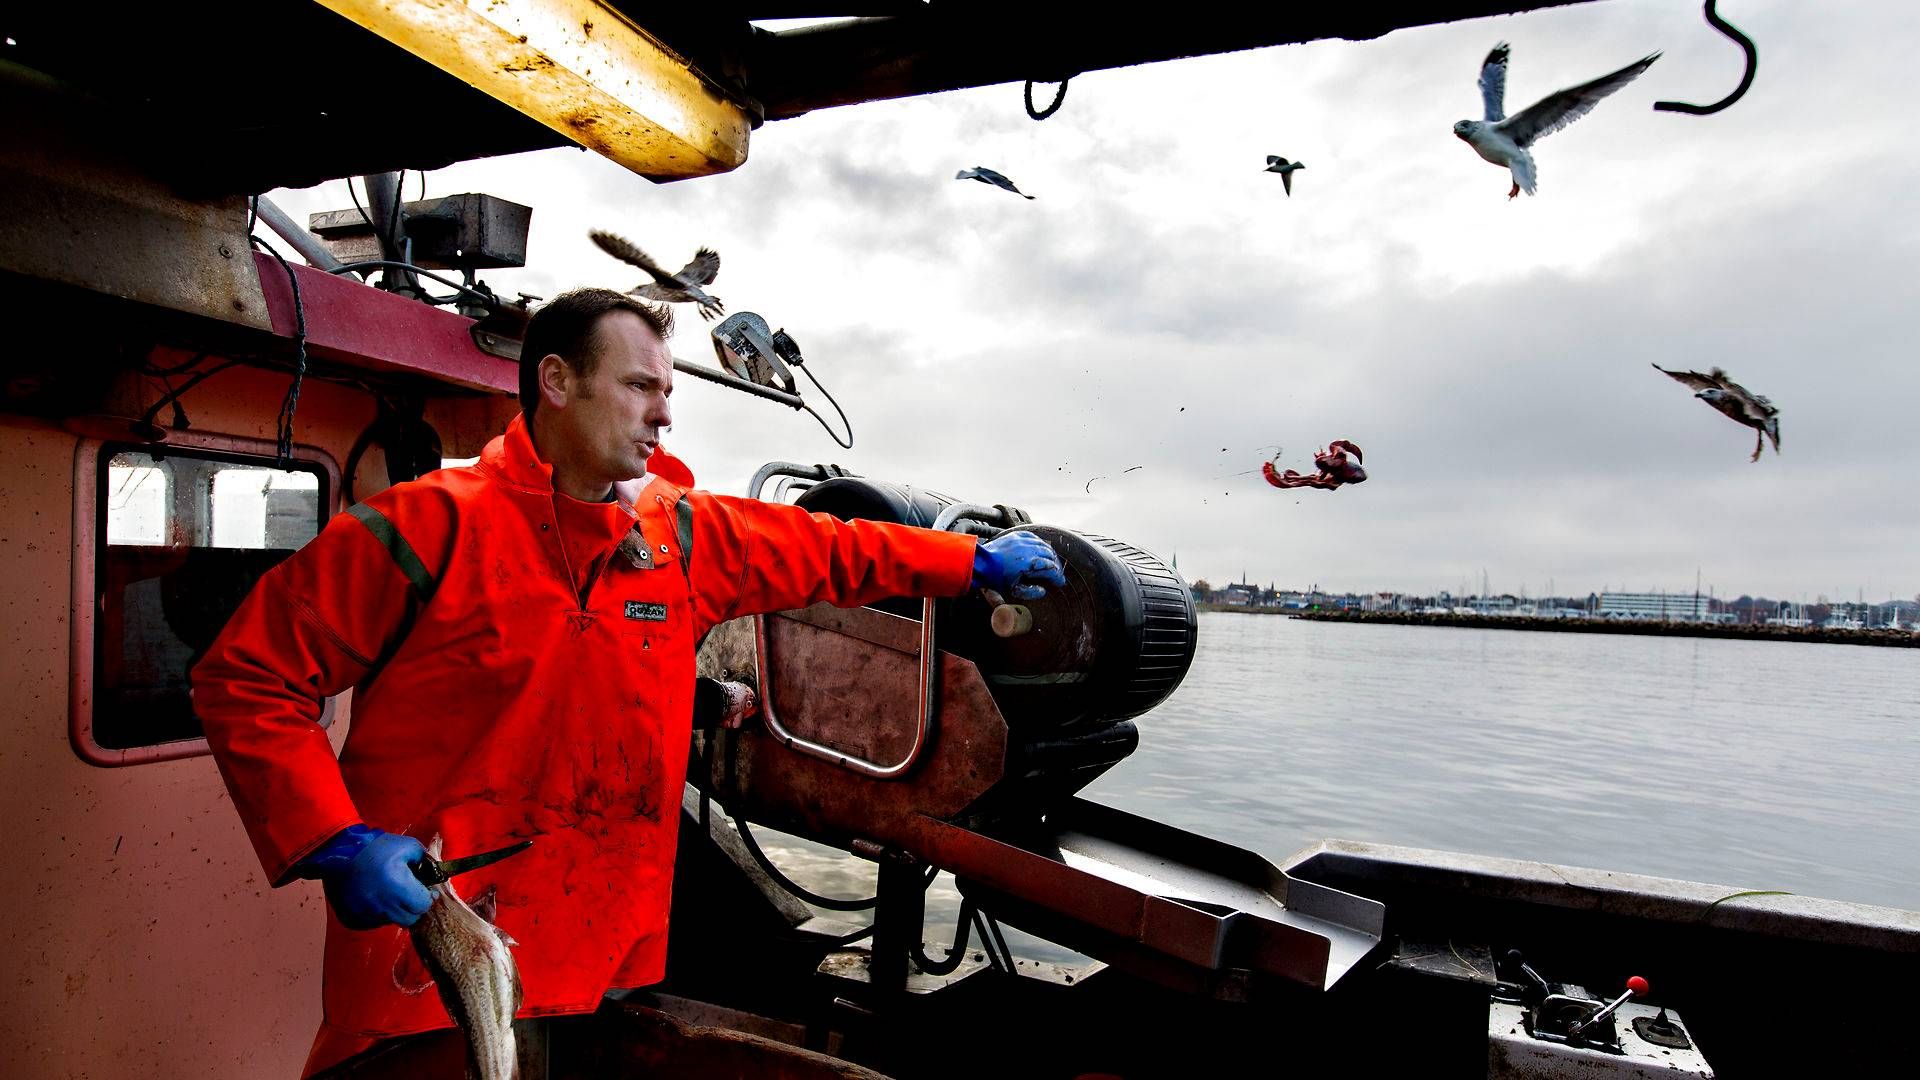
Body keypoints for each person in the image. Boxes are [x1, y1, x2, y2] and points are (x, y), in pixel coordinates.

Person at [191, 287, 1065, 1075]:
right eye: (643, 388)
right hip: (429, 957)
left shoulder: (679, 538)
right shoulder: (427, 528)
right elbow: (248, 675)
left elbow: (829, 549)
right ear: (558, 381)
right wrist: (333, 838)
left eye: (668, 394)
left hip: (603, 967)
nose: (665, 417)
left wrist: (965, 562)